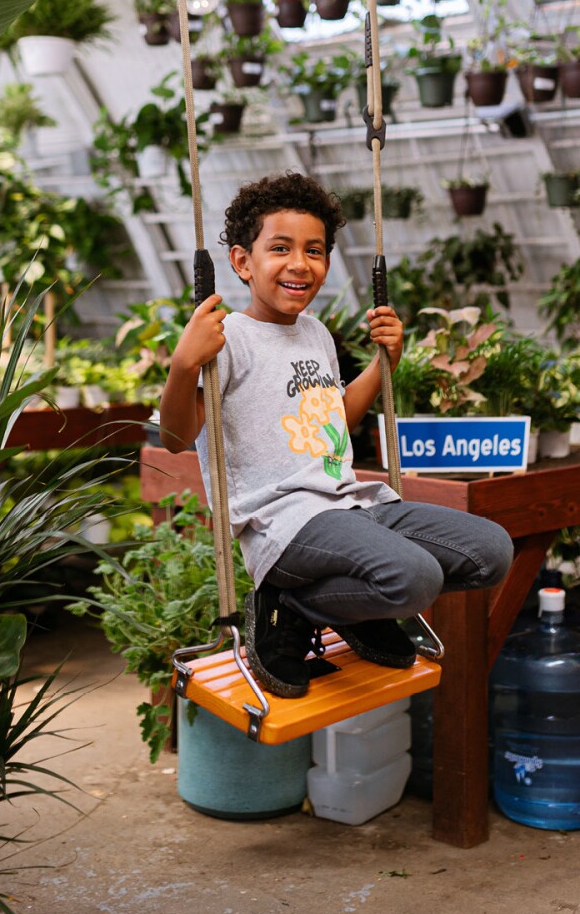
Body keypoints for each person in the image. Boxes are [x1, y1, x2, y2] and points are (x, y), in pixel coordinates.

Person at [159, 171, 513, 698]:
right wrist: (184, 365)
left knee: (492, 552)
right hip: (282, 518)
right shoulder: (227, 337)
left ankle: (352, 609)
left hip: (348, 502)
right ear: (241, 262)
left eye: (315, 250)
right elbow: (173, 436)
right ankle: (289, 602)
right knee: (414, 578)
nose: (300, 263)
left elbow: (333, 422)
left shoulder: (317, 335)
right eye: (280, 248)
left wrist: (382, 364)